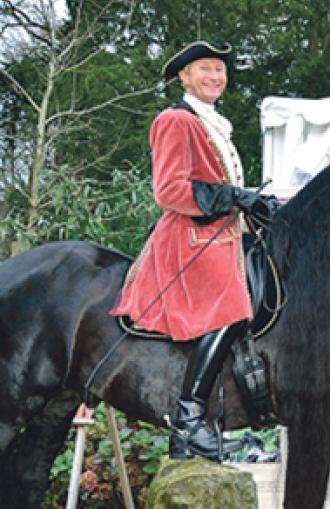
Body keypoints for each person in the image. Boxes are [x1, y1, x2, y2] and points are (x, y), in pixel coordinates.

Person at [111, 40, 277, 459]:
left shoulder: (213, 122)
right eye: (205, 69)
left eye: (220, 70)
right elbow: (169, 191)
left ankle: (224, 415)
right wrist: (233, 197)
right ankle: (188, 421)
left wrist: (253, 203)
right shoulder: (176, 120)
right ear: (185, 76)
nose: (215, 77)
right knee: (231, 305)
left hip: (222, 236)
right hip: (190, 239)